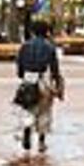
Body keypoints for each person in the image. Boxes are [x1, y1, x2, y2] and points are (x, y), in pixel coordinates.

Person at [15, 20, 64, 151]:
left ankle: (27, 129)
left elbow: (19, 66)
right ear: (46, 31)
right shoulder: (50, 47)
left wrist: (22, 76)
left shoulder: (25, 46)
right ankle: (41, 141)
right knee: (44, 111)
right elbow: (55, 68)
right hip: (43, 79)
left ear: (33, 31)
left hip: (28, 78)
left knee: (28, 108)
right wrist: (57, 83)